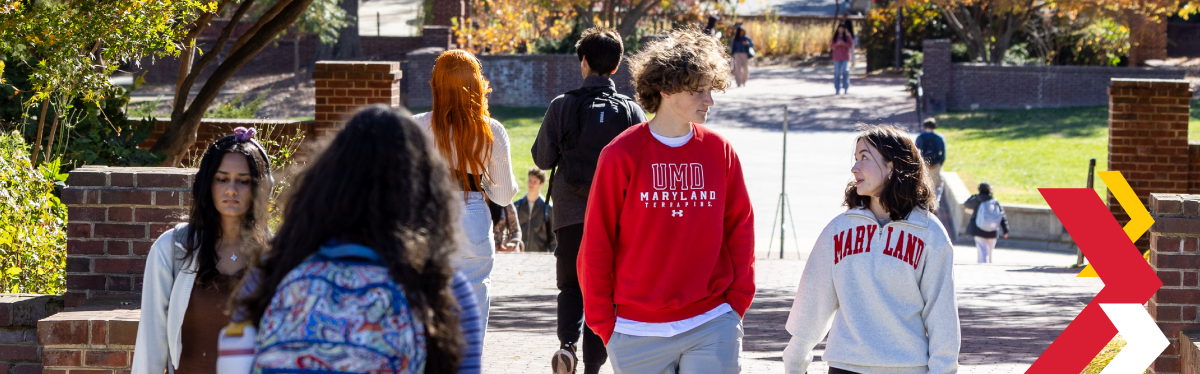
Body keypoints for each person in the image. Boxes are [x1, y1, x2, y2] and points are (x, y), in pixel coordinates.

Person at [232, 105, 483, 374]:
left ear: (325, 181)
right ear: (424, 193)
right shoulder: (444, 289)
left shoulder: (273, 270)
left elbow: (232, 361)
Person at [579, 27, 756, 374]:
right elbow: (597, 243)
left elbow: (740, 230)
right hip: (635, 332)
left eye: (710, 90)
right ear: (666, 89)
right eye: (699, 91)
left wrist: (736, 303)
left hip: (712, 322)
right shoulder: (621, 155)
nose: (710, 101)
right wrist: (605, 325)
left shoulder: (719, 152)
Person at [783, 125, 960, 374]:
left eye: (864, 158)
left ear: (893, 166)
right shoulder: (838, 229)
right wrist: (795, 361)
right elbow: (814, 300)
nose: (855, 168)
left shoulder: (930, 234)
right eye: (855, 159)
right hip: (845, 366)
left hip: (907, 368)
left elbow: (942, 315)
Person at [533, 26, 648, 374]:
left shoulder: (562, 106)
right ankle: (593, 367)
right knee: (605, 293)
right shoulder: (631, 112)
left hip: (569, 213)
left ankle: (567, 345)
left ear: (583, 62)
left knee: (570, 286)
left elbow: (542, 159)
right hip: (614, 217)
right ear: (616, 66)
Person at [132, 127, 272, 374]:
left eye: (243, 181)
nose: (231, 189)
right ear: (207, 183)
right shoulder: (173, 249)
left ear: (261, 188)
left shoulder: (277, 254)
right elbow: (151, 341)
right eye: (222, 178)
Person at [414, 49, 520, 335]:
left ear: (436, 84)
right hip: (472, 213)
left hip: (429, 216)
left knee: (427, 318)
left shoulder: (416, 126)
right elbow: (504, 196)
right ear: (476, 85)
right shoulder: (491, 131)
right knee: (470, 326)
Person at [964, 182, 1010, 263]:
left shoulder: (977, 199)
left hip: (979, 230)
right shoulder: (994, 201)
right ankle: (990, 265)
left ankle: (983, 267)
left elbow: (966, 204)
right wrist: (1005, 230)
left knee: (982, 251)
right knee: (990, 251)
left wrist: (974, 196)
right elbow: (1001, 215)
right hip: (993, 230)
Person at [514, 167, 555, 253]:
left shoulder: (548, 209)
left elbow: (553, 238)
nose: (531, 184)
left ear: (542, 184)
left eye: (535, 181)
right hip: (519, 257)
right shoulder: (517, 205)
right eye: (530, 180)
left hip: (540, 258)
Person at [915, 118, 946, 200]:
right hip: (935, 164)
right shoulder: (939, 138)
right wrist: (940, 163)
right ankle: (936, 201)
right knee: (937, 185)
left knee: (925, 184)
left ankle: (927, 201)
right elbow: (942, 153)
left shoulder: (920, 138)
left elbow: (915, 152)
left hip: (924, 165)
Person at [831, 24, 854, 94]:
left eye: (842, 28)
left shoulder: (847, 36)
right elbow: (832, 46)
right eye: (840, 28)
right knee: (837, 74)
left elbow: (850, 45)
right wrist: (837, 44)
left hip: (845, 57)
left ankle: (845, 87)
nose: (841, 30)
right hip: (837, 58)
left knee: (845, 72)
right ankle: (837, 88)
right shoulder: (835, 37)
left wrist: (844, 44)